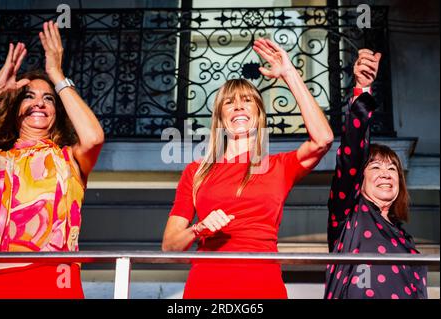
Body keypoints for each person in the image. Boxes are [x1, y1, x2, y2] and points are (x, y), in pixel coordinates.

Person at [162, 38, 334, 299]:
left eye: (247, 101)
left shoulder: (280, 166)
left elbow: (323, 139)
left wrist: (290, 74)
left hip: (262, 286)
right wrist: (199, 228)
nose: (239, 105)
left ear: (259, 114)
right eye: (229, 102)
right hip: (206, 288)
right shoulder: (196, 171)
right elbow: (170, 246)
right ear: (220, 117)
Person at [0, 21, 104, 299]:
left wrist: (57, 75)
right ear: (15, 106)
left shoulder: (70, 157)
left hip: (53, 278)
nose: (39, 103)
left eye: (49, 99)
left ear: (58, 109)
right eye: (28, 97)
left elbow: (93, 138)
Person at [324, 49, 428, 299]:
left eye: (392, 168)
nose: (386, 174)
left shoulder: (405, 239)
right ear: (360, 179)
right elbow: (352, 153)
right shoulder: (349, 214)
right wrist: (362, 90)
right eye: (376, 167)